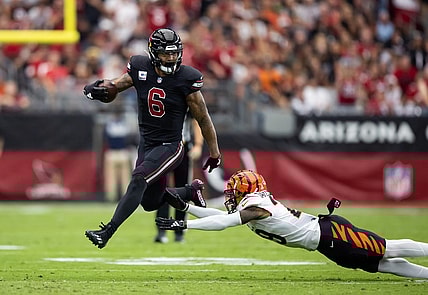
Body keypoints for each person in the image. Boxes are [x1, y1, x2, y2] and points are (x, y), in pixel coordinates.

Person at [83, 28, 221, 249]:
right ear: (154, 53)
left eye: (174, 53)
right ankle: (188, 191)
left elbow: (203, 118)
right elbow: (116, 85)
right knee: (149, 202)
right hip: (147, 143)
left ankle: (107, 231)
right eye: (166, 54)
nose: (171, 58)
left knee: (138, 179)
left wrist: (214, 152)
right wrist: (97, 88)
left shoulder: (187, 78)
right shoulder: (140, 67)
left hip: (171, 145)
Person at [157, 169, 428, 279]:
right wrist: (186, 209)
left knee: (387, 249)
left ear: (247, 190)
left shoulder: (256, 206)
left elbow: (224, 223)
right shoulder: (253, 203)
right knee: (380, 265)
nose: (232, 195)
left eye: (235, 190)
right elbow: (220, 216)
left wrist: (185, 225)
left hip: (331, 233)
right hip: (326, 244)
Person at [154, 115, 203, 243]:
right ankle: (161, 230)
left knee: (183, 189)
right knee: (161, 187)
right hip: (163, 146)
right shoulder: (164, 99)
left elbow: (195, 119)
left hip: (183, 146)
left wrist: (198, 144)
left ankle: (179, 231)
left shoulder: (186, 98)